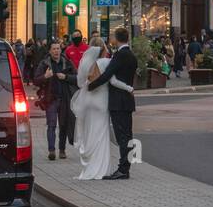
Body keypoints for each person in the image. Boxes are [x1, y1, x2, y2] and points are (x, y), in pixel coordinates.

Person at [88, 27, 138, 179]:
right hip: (127, 101)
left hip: (119, 102)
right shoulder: (131, 55)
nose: (111, 40)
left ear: (117, 39)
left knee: (122, 136)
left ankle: (123, 169)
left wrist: (89, 87)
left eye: (113, 37)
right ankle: (125, 167)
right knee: (127, 135)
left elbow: (107, 75)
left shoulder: (120, 55)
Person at [71, 35, 112, 179]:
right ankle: (101, 169)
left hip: (87, 101)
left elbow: (79, 83)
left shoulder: (85, 62)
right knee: (101, 134)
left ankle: (89, 167)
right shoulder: (106, 62)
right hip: (101, 100)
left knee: (90, 134)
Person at [33, 41, 77, 161]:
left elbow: (77, 77)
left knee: (63, 125)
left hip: (64, 98)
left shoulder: (66, 62)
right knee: (51, 125)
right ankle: (51, 151)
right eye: (54, 49)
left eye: (58, 49)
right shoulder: (44, 64)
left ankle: (62, 150)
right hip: (51, 99)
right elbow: (36, 80)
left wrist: (66, 77)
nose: (56, 51)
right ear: (50, 51)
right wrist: (45, 77)